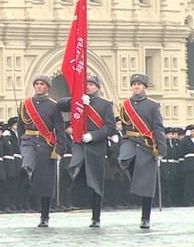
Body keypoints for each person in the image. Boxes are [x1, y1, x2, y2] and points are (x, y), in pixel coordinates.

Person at [58, 74, 115, 227]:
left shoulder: (105, 104)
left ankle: (96, 217)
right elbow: (60, 104)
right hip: (78, 143)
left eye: (91, 84)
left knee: (96, 183)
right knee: (75, 164)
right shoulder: (78, 101)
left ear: (97, 87)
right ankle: (72, 178)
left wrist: (93, 135)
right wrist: (74, 101)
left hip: (95, 146)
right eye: (86, 84)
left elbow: (110, 127)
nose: (88, 86)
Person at [118, 73, 166, 229]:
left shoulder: (152, 105)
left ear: (145, 87)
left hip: (147, 145)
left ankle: (145, 218)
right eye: (134, 84)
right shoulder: (125, 105)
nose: (136, 87)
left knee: (147, 184)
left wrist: (160, 148)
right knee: (123, 159)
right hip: (130, 141)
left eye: (139, 84)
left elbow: (158, 128)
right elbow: (124, 127)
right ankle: (133, 181)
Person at [18, 73, 65, 227]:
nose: (39, 86)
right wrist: (21, 142)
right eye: (37, 84)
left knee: (46, 183)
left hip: (46, 144)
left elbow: (59, 129)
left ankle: (44, 216)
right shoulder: (25, 104)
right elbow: (20, 128)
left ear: (47, 87)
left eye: (42, 84)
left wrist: (60, 150)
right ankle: (27, 171)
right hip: (29, 139)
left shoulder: (54, 105)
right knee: (28, 159)